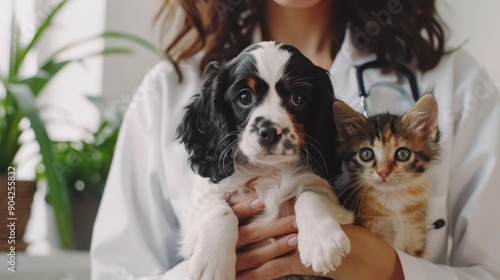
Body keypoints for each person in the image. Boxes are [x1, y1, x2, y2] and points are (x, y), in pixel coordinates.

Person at [90, 0, 500, 279]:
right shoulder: (168, 90)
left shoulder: (456, 84)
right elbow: (116, 270)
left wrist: (393, 269)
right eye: (246, 97)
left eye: (298, 99)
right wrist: (213, 264)